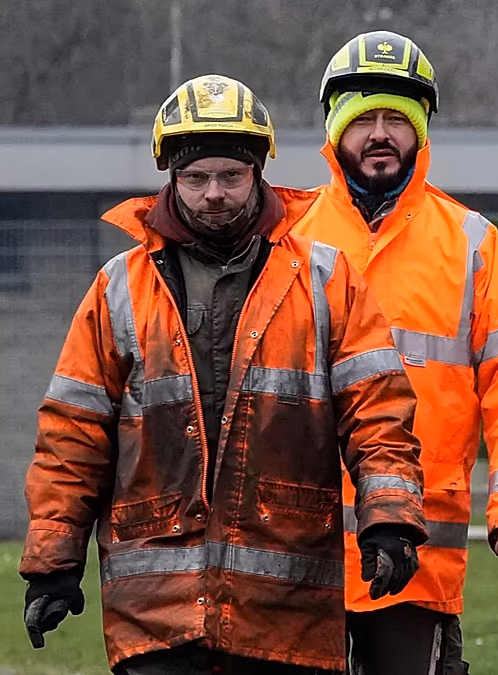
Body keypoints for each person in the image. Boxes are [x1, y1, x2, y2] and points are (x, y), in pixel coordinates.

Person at [20, 74, 426, 675]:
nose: (215, 193)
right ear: (171, 179)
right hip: (156, 621)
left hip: (285, 618)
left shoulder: (326, 280)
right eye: (196, 177)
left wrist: (389, 517)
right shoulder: (118, 288)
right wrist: (54, 561)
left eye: (231, 176)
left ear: (258, 174)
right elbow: (72, 434)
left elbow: (380, 415)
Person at [290, 31, 498, 675]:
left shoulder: (470, 243)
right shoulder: (286, 237)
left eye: (397, 119)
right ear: (335, 129)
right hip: (298, 551)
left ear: (421, 131)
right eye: (364, 118)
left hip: (417, 548)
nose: (381, 134)